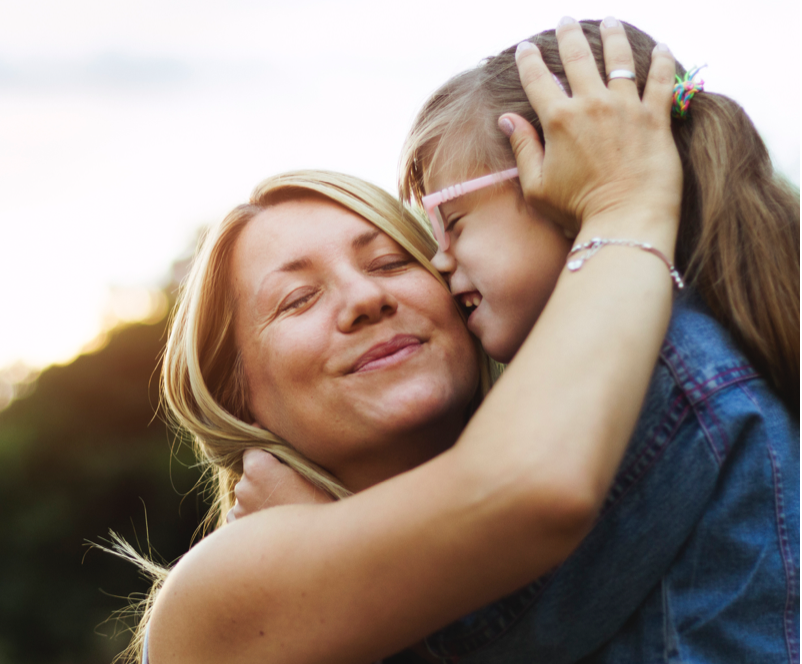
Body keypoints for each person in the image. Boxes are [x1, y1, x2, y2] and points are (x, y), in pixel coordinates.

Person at [118, 22, 689, 664]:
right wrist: (624, 206)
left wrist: (334, 540)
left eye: (392, 262)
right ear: (237, 393)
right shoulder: (224, 585)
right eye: (299, 299)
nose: (366, 300)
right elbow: (532, 492)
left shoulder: (631, 465)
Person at [235, 18, 800, 664]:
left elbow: (493, 625)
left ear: (563, 188)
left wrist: (322, 550)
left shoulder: (666, 374)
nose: (439, 263)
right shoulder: (682, 351)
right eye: (298, 299)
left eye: (450, 225)